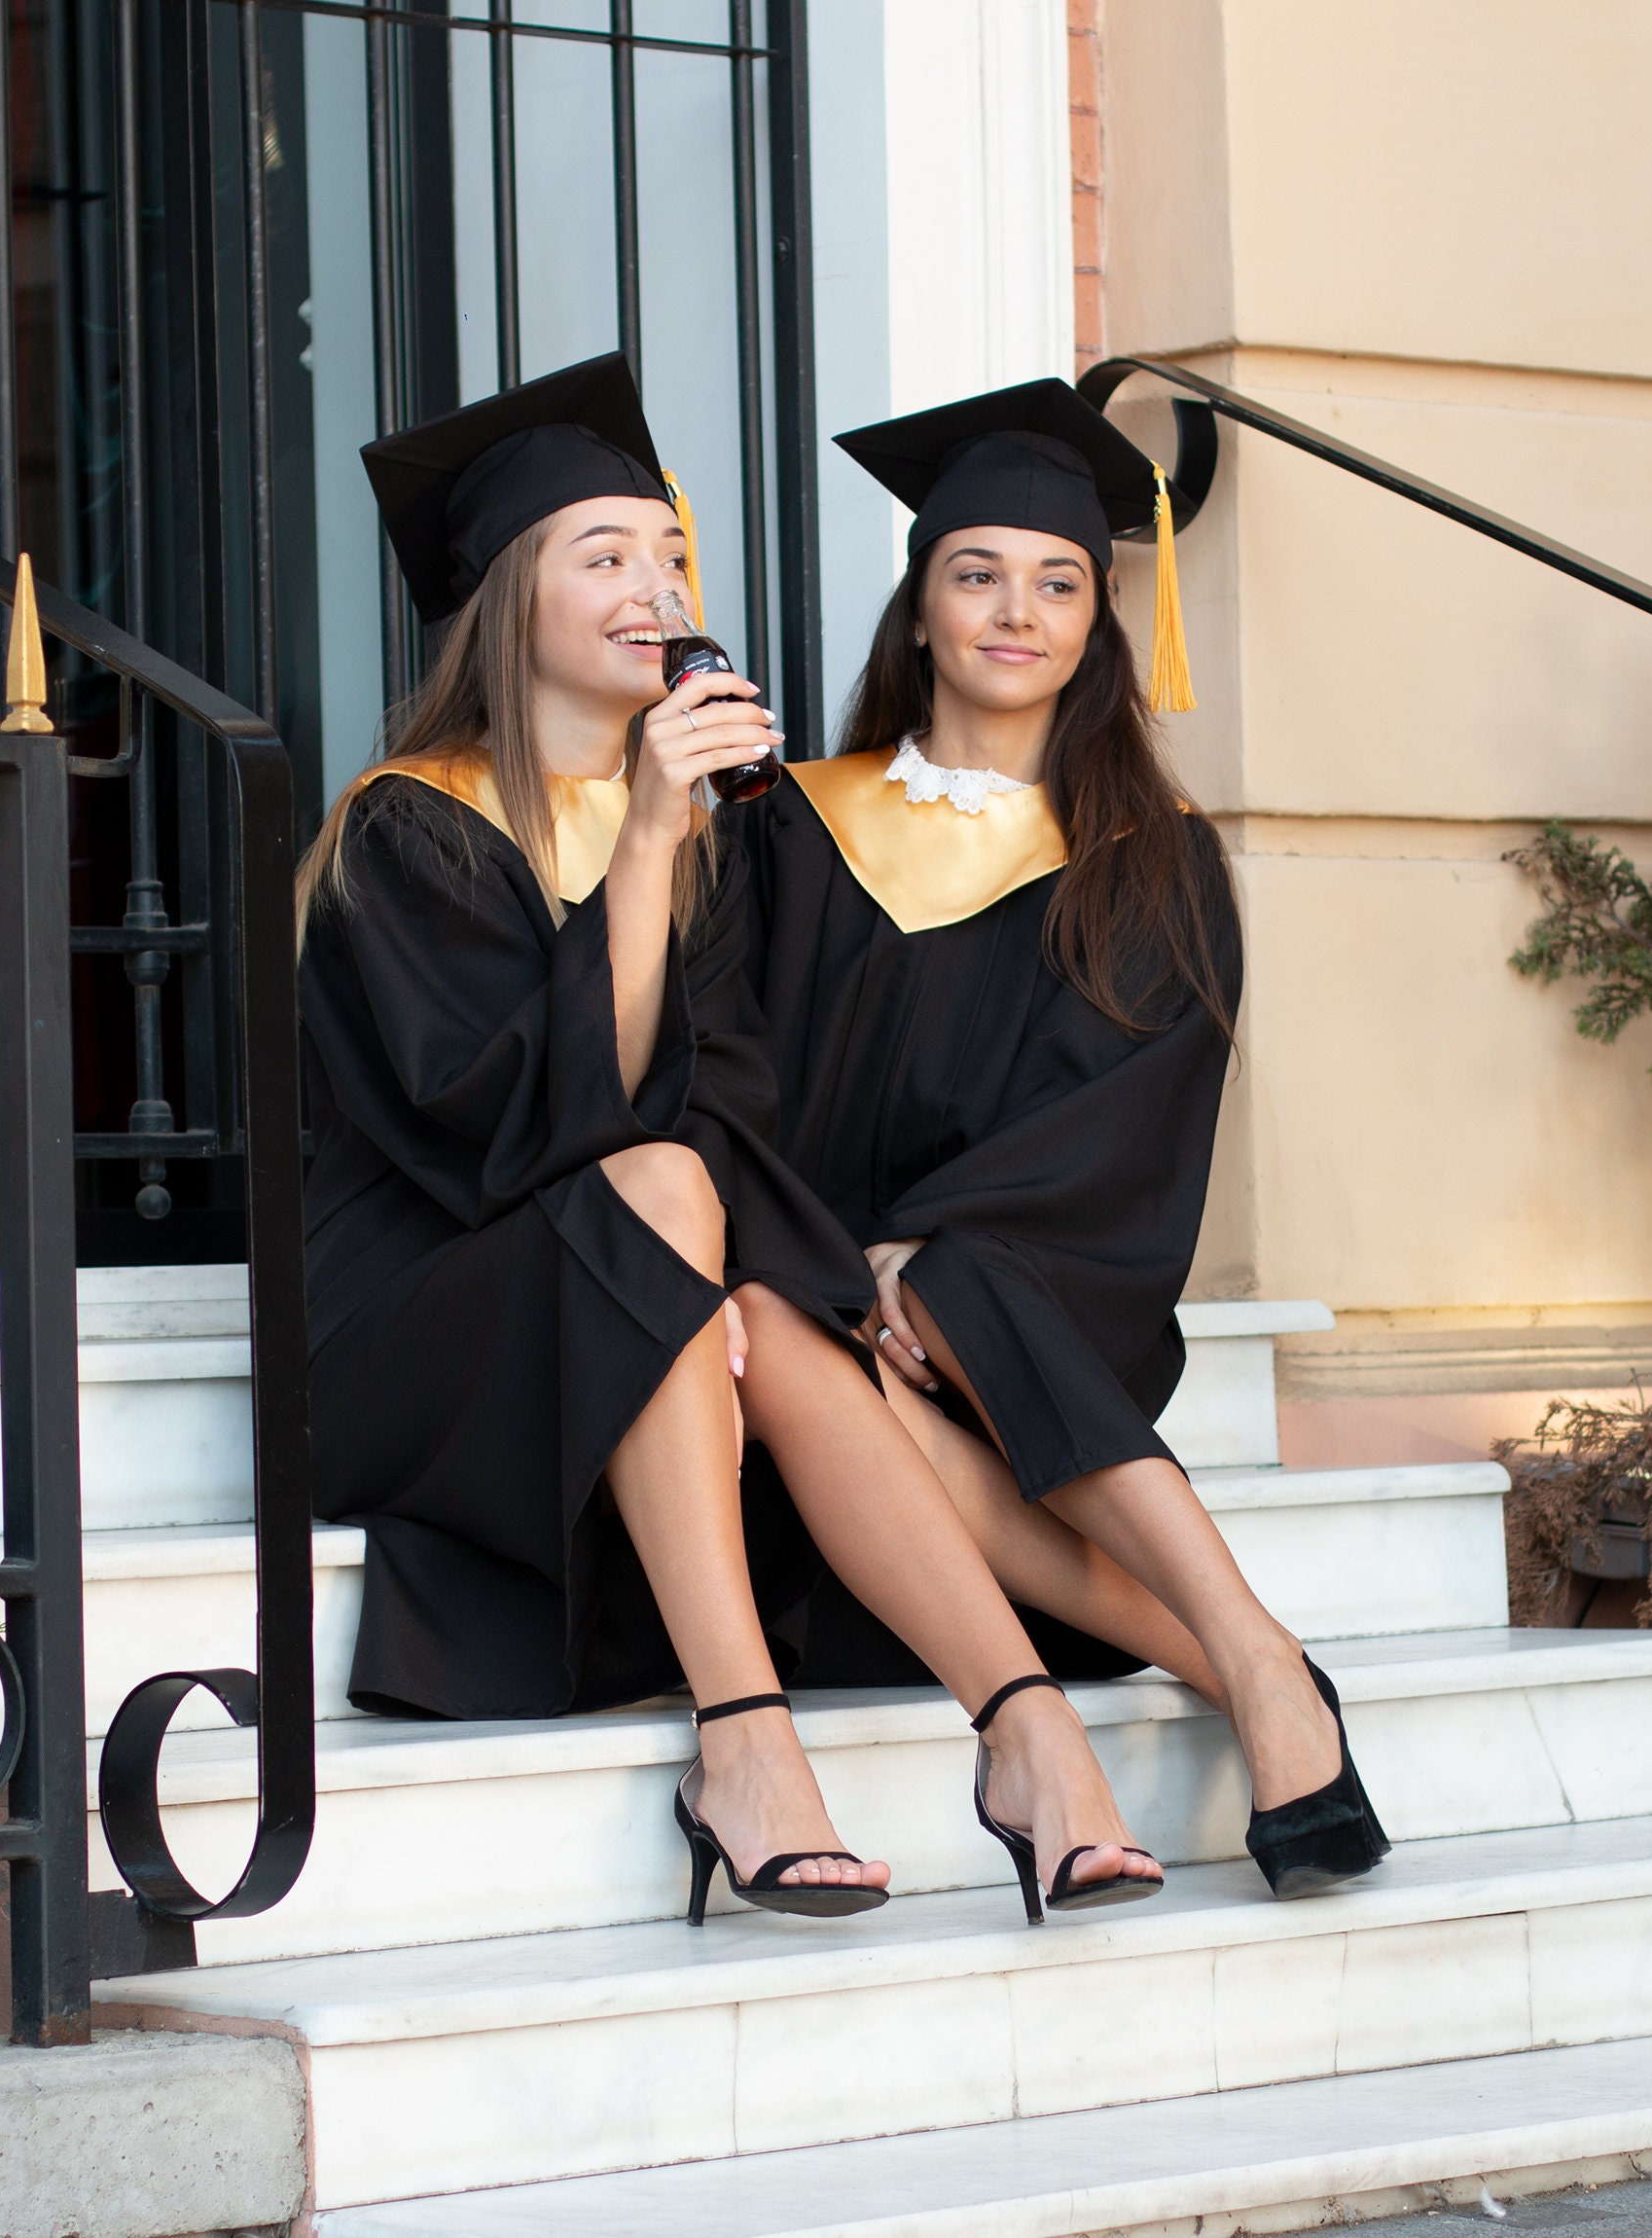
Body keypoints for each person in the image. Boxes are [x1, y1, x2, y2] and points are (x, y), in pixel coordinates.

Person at [297, 354, 1164, 1927]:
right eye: (607, 556)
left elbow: (720, 1108)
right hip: (417, 1332)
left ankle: (1029, 1735)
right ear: (511, 595)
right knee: (671, 1199)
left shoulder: (710, 835)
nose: (658, 589)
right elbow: (510, 1135)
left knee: (766, 1296)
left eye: (672, 556)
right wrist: (641, 838)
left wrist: (794, 1296)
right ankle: (745, 1741)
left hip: (625, 1300)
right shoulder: (408, 825)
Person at [725, 378, 1388, 1897]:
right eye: (977, 574)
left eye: (1059, 581)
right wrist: (849, 1266)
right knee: (828, 1350)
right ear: (918, 614)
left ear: (1099, 621)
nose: (1015, 612)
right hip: (820, 1313)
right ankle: (1252, 1655)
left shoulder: (1154, 864)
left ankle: (1250, 1659)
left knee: (969, 1285)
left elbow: (1130, 1128)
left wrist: (925, 1261)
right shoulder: (785, 828)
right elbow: (729, 1075)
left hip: (1036, 1320)